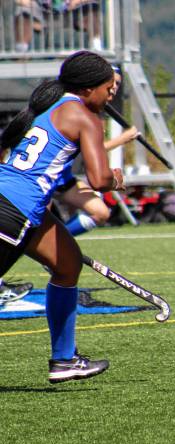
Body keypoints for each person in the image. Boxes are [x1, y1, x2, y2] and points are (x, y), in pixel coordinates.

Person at [0, 50, 122, 383]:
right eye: (108, 89)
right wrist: (116, 178)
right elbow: (98, 180)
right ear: (87, 90)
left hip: (21, 206)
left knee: (67, 263)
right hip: (12, 211)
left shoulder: (51, 108)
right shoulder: (85, 118)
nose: (112, 94)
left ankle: (64, 360)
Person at [55, 65, 139, 237]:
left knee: (100, 212)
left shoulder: (93, 112)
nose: (114, 88)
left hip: (62, 176)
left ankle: (56, 249)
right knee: (34, 225)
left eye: (117, 84)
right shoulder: (76, 110)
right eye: (111, 84)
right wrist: (123, 139)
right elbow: (94, 158)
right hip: (42, 174)